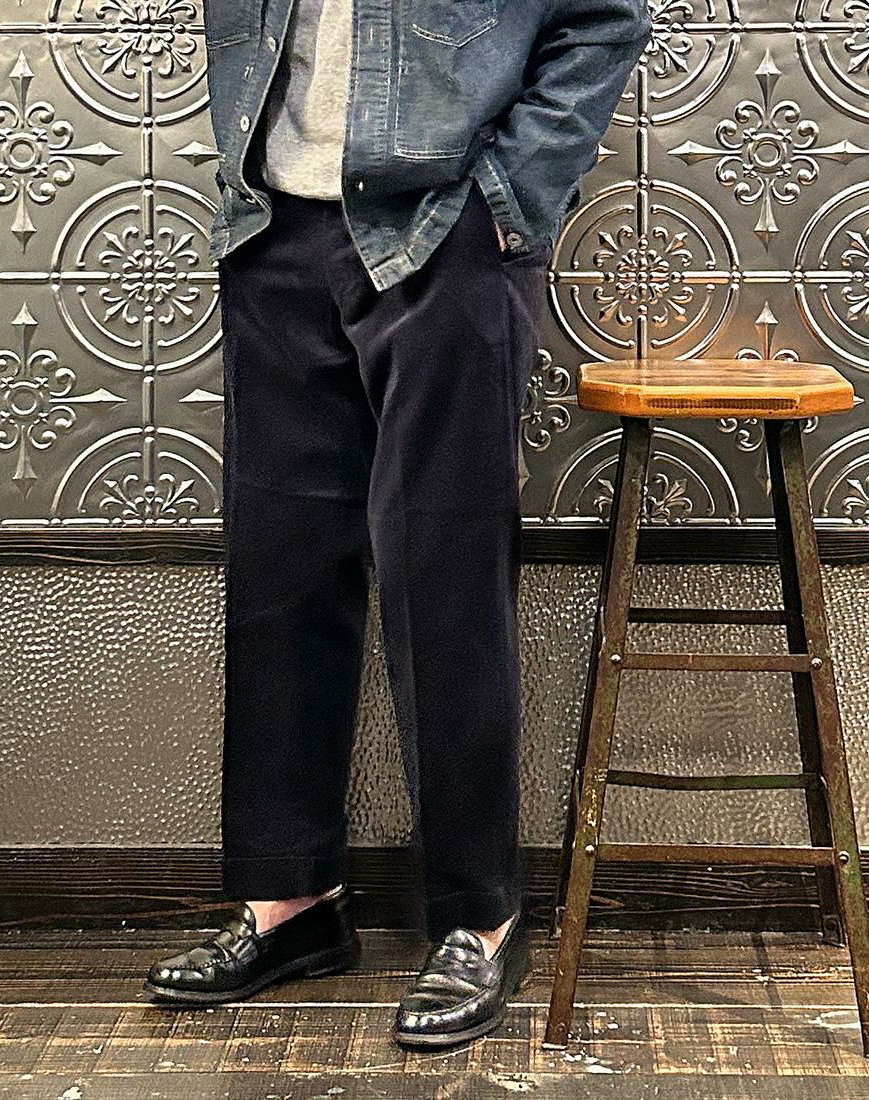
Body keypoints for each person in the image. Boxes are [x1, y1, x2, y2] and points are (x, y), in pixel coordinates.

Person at [144, 0, 653, 1049]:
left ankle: (477, 914)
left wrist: (511, 196)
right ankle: (290, 901)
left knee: (443, 573)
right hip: (274, 225)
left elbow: (605, 16)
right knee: (280, 571)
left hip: (446, 228)